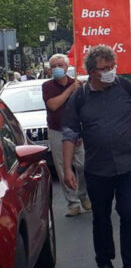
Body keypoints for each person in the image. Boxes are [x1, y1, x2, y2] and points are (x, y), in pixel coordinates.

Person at [61, 46, 131, 268]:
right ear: (91, 72)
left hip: (130, 163)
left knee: (130, 213)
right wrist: (68, 169)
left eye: (112, 67)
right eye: (104, 69)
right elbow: (68, 133)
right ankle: (104, 264)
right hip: (98, 167)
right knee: (100, 217)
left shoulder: (127, 87)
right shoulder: (80, 97)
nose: (110, 72)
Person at [42, 54, 90, 217]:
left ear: (67, 67)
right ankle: (73, 203)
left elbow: (84, 110)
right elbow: (53, 105)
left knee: (83, 165)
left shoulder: (79, 85)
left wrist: (82, 132)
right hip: (57, 131)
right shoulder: (48, 86)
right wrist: (70, 90)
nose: (57, 68)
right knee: (63, 168)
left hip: (76, 130)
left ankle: (83, 194)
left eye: (60, 65)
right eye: (54, 66)